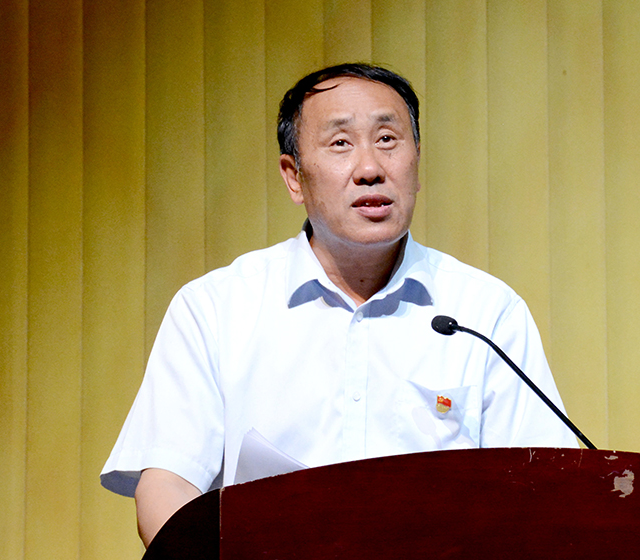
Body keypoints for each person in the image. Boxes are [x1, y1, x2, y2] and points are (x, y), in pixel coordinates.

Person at [101, 63, 578, 547]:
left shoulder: (485, 313)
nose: (370, 168)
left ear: (416, 164)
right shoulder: (216, 308)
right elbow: (168, 485)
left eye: (388, 140)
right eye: (340, 143)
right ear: (294, 177)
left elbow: (544, 492)